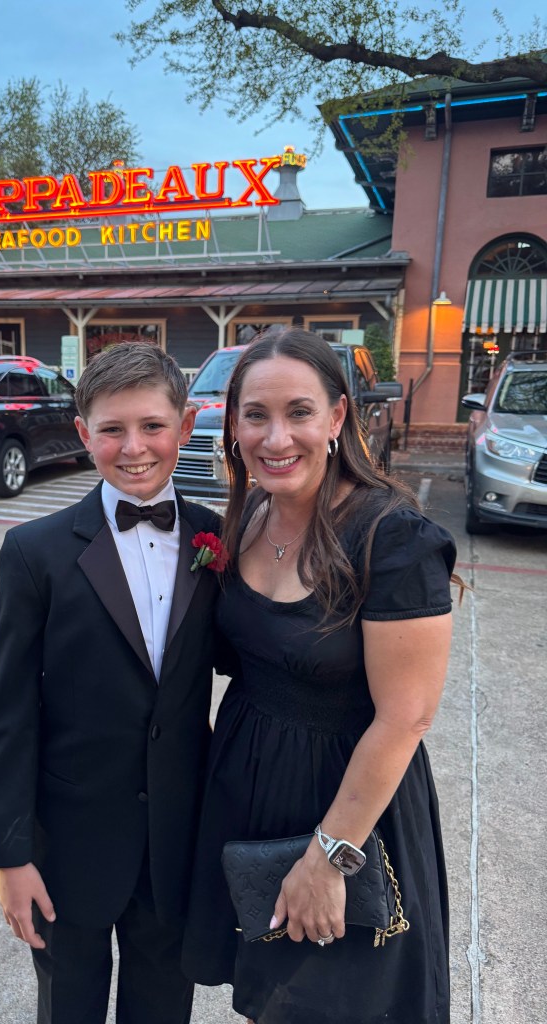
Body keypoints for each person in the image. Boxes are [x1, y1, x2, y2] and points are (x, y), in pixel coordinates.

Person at [182, 329, 457, 1024]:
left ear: (337, 417)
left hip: (347, 811)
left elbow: (407, 716)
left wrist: (330, 857)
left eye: (299, 412)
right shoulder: (248, 516)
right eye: (256, 415)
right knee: (270, 1000)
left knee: (341, 1004)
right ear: (232, 424)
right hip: (248, 797)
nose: (276, 438)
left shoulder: (393, 538)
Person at [0, 341, 225, 1024]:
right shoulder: (35, 552)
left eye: (152, 426)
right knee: (69, 1005)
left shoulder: (217, 539)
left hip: (176, 840)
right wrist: (9, 855)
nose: (134, 447)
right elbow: (8, 713)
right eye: (112, 429)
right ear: (84, 435)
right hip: (69, 845)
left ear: (186, 425)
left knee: (163, 1006)